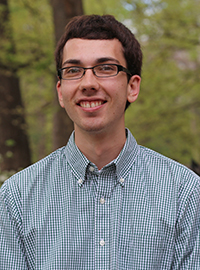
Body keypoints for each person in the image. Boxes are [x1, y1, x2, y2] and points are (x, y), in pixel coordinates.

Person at [0, 14, 200, 270]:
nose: (88, 83)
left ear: (132, 87)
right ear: (61, 92)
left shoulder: (185, 194)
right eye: (74, 70)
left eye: (105, 68)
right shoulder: (17, 197)